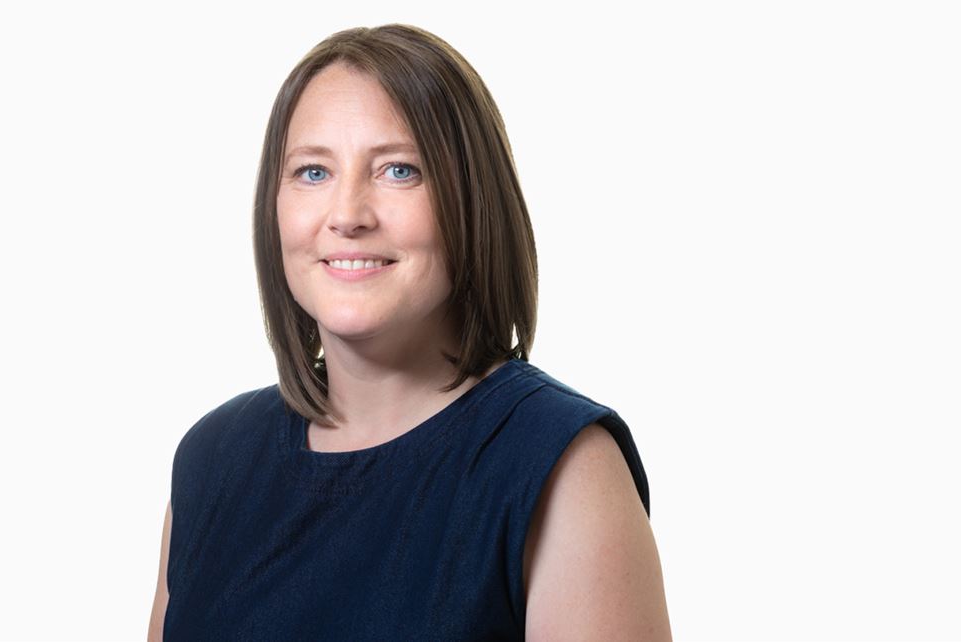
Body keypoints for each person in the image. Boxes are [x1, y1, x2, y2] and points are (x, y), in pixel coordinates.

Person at [148, 23, 671, 640]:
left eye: (399, 170)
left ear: (472, 199)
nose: (347, 215)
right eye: (313, 172)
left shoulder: (563, 468)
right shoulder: (212, 459)